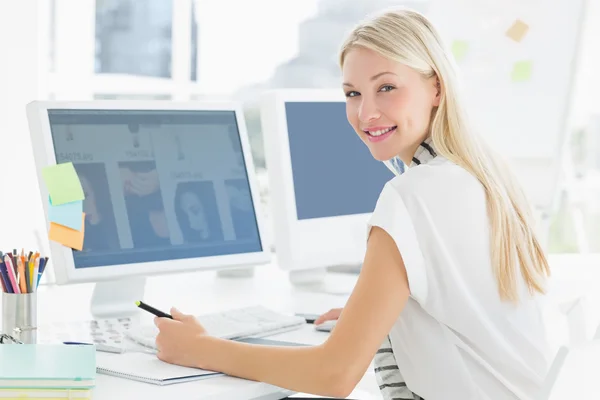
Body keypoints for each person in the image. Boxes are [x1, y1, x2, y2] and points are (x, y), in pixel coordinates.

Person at [152, 8, 553, 400]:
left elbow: (334, 375)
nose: (366, 112)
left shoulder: (413, 194)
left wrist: (199, 348)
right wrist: (381, 315)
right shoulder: (479, 175)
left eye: (386, 87)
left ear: (436, 87)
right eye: (352, 94)